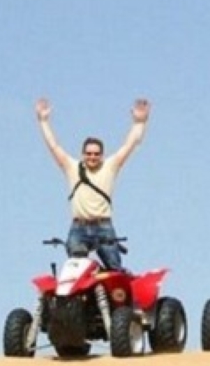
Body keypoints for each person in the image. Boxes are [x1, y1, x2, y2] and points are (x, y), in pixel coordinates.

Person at [35, 97, 149, 271]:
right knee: (75, 269)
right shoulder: (72, 168)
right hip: (78, 228)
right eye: (88, 153)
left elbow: (130, 144)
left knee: (115, 271)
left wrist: (139, 122)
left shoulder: (110, 167)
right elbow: (54, 146)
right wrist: (43, 121)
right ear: (82, 154)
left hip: (103, 226)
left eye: (96, 154)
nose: (92, 157)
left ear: (102, 155)